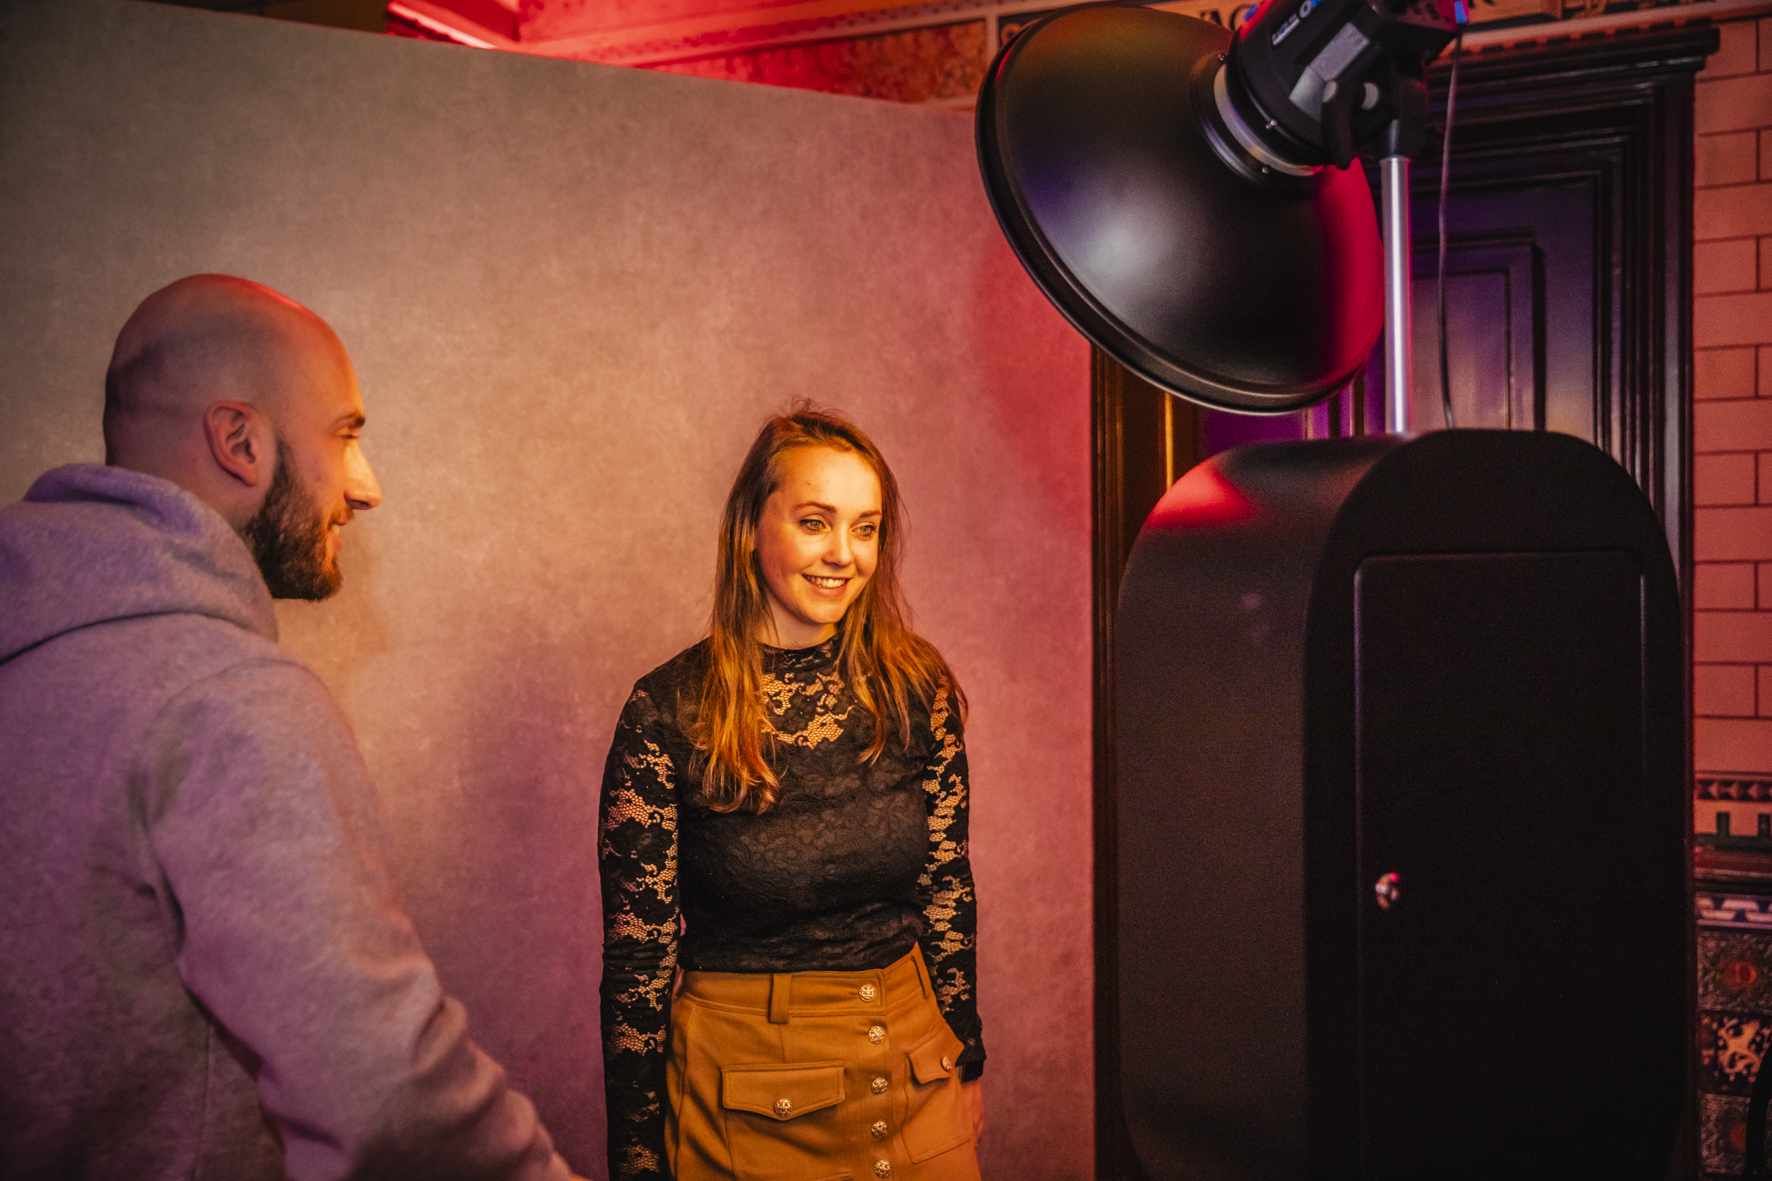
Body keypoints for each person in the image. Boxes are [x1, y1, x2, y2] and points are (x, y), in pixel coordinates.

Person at [0, 274, 572, 1180]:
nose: (367, 486)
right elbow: (390, 1107)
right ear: (240, 442)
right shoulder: (228, 698)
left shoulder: (31, 650)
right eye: (345, 436)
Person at [598, 406, 984, 1181]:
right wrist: (638, 1157)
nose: (845, 553)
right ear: (751, 526)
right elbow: (639, 959)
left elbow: (947, 888)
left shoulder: (918, 688)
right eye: (815, 521)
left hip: (915, 1073)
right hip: (744, 1097)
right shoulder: (669, 710)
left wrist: (966, 1056)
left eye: (866, 528)